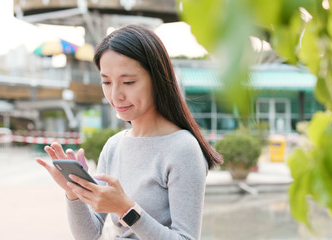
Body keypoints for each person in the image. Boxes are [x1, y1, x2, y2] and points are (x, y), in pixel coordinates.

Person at [36, 24, 223, 240]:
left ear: (157, 79)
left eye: (128, 82)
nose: (115, 95)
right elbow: (88, 235)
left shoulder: (183, 148)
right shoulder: (114, 146)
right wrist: (74, 193)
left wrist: (126, 209)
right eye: (106, 81)